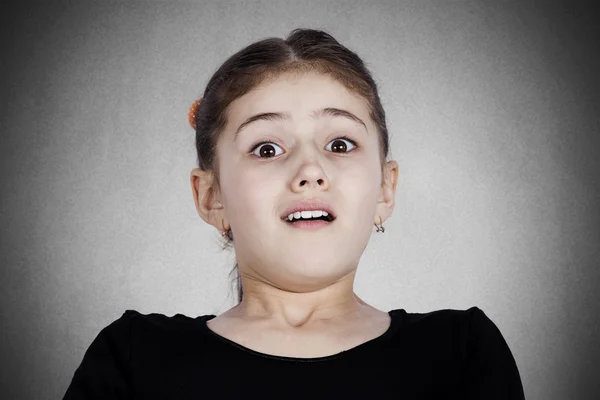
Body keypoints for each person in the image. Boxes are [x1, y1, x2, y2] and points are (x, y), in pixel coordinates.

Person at [63, 28, 525, 399]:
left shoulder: (460, 352)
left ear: (385, 188)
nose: (310, 171)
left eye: (340, 144)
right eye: (267, 148)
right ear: (211, 196)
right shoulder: (133, 357)